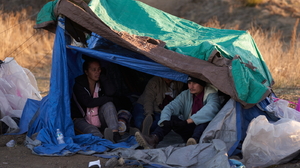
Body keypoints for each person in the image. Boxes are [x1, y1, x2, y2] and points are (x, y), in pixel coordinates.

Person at [135, 76, 221, 148]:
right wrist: (165, 120)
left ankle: (195, 141)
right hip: (189, 129)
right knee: (171, 119)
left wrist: (187, 121)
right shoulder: (186, 94)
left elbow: (211, 108)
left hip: (205, 132)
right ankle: (153, 139)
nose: (191, 86)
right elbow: (170, 107)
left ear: (202, 84)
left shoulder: (211, 94)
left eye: (195, 83)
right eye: (189, 83)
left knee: (204, 122)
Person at [71, 57, 121, 143]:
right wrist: (108, 99)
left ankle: (115, 133)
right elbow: (88, 102)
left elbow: (111, 92)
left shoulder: (100, 82)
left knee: (108, 105)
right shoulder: (79, 85)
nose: (97, 72)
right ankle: (103, 141)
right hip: (81, 118)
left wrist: (103, 77)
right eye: (94, 70)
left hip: (98, 116)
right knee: (93, 132)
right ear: (86, 72)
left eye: (99, 69)